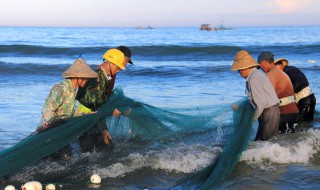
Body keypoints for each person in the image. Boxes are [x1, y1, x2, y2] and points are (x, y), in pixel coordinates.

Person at [38, 57, 98, 159]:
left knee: (67, 157)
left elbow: (69, 114)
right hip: (50, 132)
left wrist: (86, 114)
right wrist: (51, 127)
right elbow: (47, 109)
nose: (87, 81)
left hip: (61, 131)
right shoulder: (62, 88)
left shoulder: (73, 90)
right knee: (63, 158)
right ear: (78, 77)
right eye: (86, 78)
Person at [76, 47, 133, 152]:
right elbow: (94, 108)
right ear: (110, 63)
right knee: (85, 156)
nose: (119, 70)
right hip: (85, 121)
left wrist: (104, 129)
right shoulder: (96, 80)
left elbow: (100, 104)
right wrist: (111, 113)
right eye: (118, 67)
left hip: (94, 120)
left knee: (106, 151)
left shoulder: (105, 77)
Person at [231, 50, 280, 141]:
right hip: (270, 111)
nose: (239, 73)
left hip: (269, 113)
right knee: (263, 142)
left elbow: (261, 102)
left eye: (239, 70)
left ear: (243, 68)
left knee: (264, 143)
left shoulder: (253, 78)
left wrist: (252, 117)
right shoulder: (256, 75)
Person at [257, 52, 301, 134]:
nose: (261, 69)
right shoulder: (282, 73)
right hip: (294, 112)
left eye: (260, 66)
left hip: (284, 114)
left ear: (265, 63)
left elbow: (265, 96)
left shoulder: (270, 75)